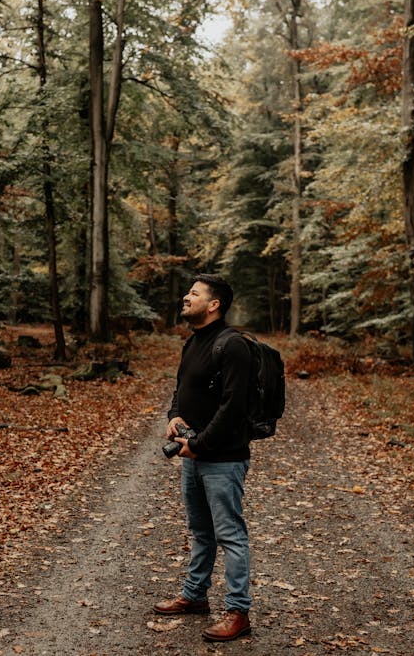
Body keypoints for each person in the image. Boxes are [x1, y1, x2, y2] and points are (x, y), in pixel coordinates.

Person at [153, 274, 253, 642]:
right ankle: (195, 597)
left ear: (214, 305)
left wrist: (200, 444)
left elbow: (234, 407)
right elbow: (182, 389)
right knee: (201, 531)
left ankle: (238, 611)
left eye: (194, 294)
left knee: (230, 535)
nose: (186, 297)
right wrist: (173, 417)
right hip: (194, 455)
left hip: (223, 459)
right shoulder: (194, 342)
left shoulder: (233, 346)